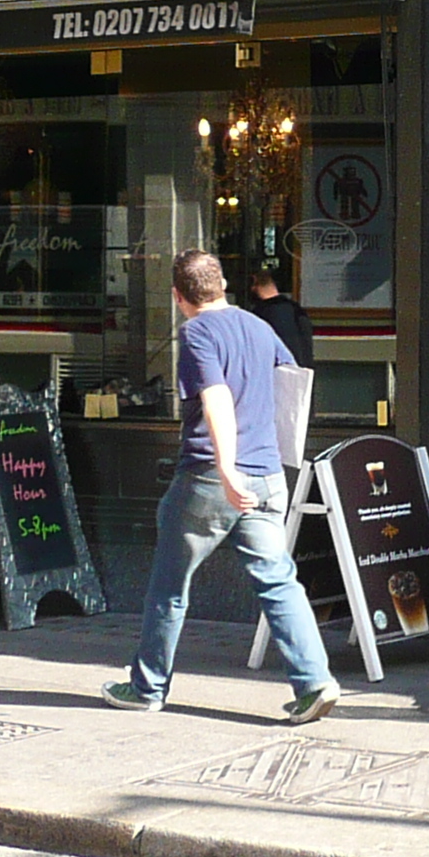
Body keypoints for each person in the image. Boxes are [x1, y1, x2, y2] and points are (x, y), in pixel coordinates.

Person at [102, 250, 343, 722]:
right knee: (278, 582)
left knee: (169, 587)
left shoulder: (195, 333)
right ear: (225, 283)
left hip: (210, 478)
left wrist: (228, 470)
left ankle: (147, 687)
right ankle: (315, 682)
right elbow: (290, 383)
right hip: (269, 474)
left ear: (177, 296)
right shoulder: (258, 326)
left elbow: (215, 400)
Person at [248, 267, 317, 367]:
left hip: (279, 373)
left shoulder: (261, 314)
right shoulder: (296, 309)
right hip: (303, 373)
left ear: (254, 286)